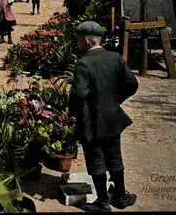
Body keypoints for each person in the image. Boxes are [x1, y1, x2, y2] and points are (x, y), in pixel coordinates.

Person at [68, 21, 138, 212]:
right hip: (113, 117)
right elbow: (132, 83)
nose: (77, 43)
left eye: (78, 39)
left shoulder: (83, 63)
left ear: (85, 40)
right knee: (115, 156)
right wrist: (115, 100)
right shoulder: (115, 58)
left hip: (92, 120)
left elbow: (79, 94)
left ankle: (103, 202)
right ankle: (122, 197)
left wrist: (72, 114)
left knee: (96, 159)